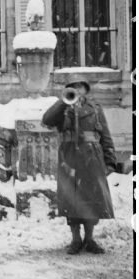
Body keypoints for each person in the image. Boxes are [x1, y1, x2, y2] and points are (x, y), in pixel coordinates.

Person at [42, 78, 117, 255]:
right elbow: (47, 120)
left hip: (92, 157)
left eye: (80, 87)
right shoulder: (62, 108)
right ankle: (75, 239)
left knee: (92, 197)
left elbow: (105, 135)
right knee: (71, 197)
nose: (76, 90)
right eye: (72, 87)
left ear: (85, 89)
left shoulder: (95, 108)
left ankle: (90, 238)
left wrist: (110, 160)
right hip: (69, 157)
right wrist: (63, 102)